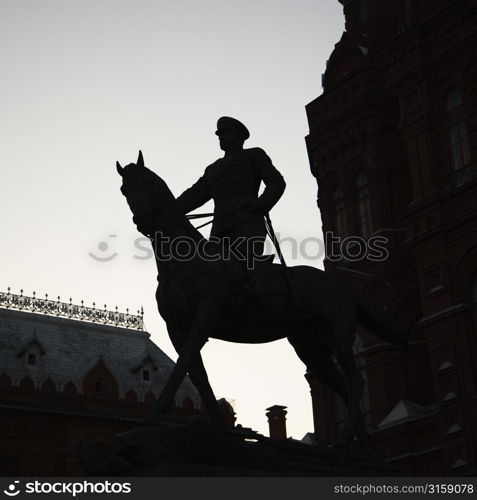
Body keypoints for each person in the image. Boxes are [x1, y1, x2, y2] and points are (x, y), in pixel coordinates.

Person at [176, 116, 286, 298]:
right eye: (219, 134)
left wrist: (262, 203)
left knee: (244, 271)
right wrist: (168, 211)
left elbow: (277, 182)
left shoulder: (254, 155)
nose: (221, 137)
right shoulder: (213, 169)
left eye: (225, 133)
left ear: (239, 136)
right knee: (209, 272)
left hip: (247, 224)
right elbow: (193, 196)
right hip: (220, 229)